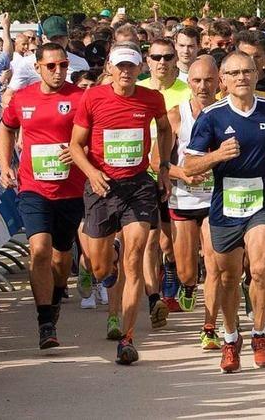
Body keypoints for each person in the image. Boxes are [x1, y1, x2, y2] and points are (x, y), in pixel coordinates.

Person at [184, 51, 265, 373]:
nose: (241, 78)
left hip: (263, 201)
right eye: (234, 73)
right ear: (224, 80)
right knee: (229, 277)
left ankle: (259, 334)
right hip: (225, 206)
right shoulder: (212, 116)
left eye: (247, 71)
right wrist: (216, 155)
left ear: (257, 74)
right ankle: (232, 338)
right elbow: (189, 164)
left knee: (260, 268)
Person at [70, 41, 173, 365]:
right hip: (102, 187)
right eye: (121, 66)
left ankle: (127, 339)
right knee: (101, 268)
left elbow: (165, 128)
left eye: (131, 66)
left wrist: (164, 166)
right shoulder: (93, 97)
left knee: (135, 257)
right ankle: (107, 261)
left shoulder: (152, 98)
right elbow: (75, 145)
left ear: (139, 68)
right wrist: (91, 171)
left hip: (138, 186)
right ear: (110, 70)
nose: (126, 72)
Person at [0, 42, 86, 350]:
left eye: (63, 65)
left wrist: (80, 153)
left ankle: (58, 292)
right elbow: (6, 129)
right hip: (33, 187)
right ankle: (45, 321)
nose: (59, 71)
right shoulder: (22, 98)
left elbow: (93, 136)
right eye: (52, 66)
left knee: (62, 258)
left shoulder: (79, 98)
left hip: (71, 189)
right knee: (40, 249)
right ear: (38, 68)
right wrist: (5, 165)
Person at [163, 56, 222, 349]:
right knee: (188, 271)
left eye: (209, 80)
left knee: (215, 265)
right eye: (197, 80)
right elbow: (158, 162)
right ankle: (186, 284)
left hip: (216, 200)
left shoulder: (227, 113)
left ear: (218, 81)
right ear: (189, 82)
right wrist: (182, 174)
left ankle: (209, 327)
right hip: (183, 199)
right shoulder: (176, 115)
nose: (203, 86)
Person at [137, 38, 191, 320]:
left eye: (168, 57)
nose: (162, 62)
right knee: (149, 239)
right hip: (142, 173)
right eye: (156, 57)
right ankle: (154, 297)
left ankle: (171, 268)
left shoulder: (187, 90)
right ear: (148, 60)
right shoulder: (139, 89)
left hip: (176, 173)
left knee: (169, 243)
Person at [8, 16, 89, 92]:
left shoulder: (81, 64)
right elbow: (9, 95)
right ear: (43, 38)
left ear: (67, 38)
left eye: (61, 37)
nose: (58, 41)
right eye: (53, 38)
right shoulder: (26, 63)